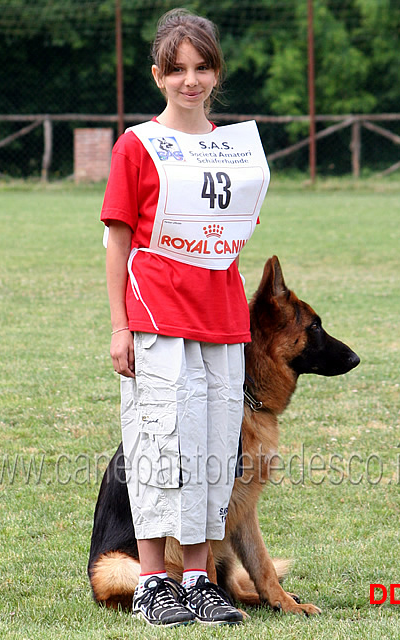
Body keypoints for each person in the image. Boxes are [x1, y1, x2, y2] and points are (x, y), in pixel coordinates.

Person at [100, 8, 269, 627]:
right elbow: (118, 241)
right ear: (157, 75)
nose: (190, 81)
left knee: (211, 452)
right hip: (156, 318)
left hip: (223, 320)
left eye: (201, 68)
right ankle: (152, 583)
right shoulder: (137, 146)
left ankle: (198, 580)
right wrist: (120, 325)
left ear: (216, 73)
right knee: (158, 447)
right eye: (177, 70)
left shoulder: (233, 151)